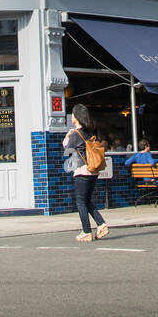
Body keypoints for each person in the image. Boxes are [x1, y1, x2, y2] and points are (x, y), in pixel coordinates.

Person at [62, 104, 109, 242]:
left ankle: (86, 231)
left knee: (81, 202)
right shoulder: (89, 132)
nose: (72, 117)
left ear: (76, 117)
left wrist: (67, 136)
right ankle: (101, 224)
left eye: (73, 114)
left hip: (82, 171)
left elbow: (67, 150)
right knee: (87, 200)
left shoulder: (76, 134)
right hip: (93, 171)